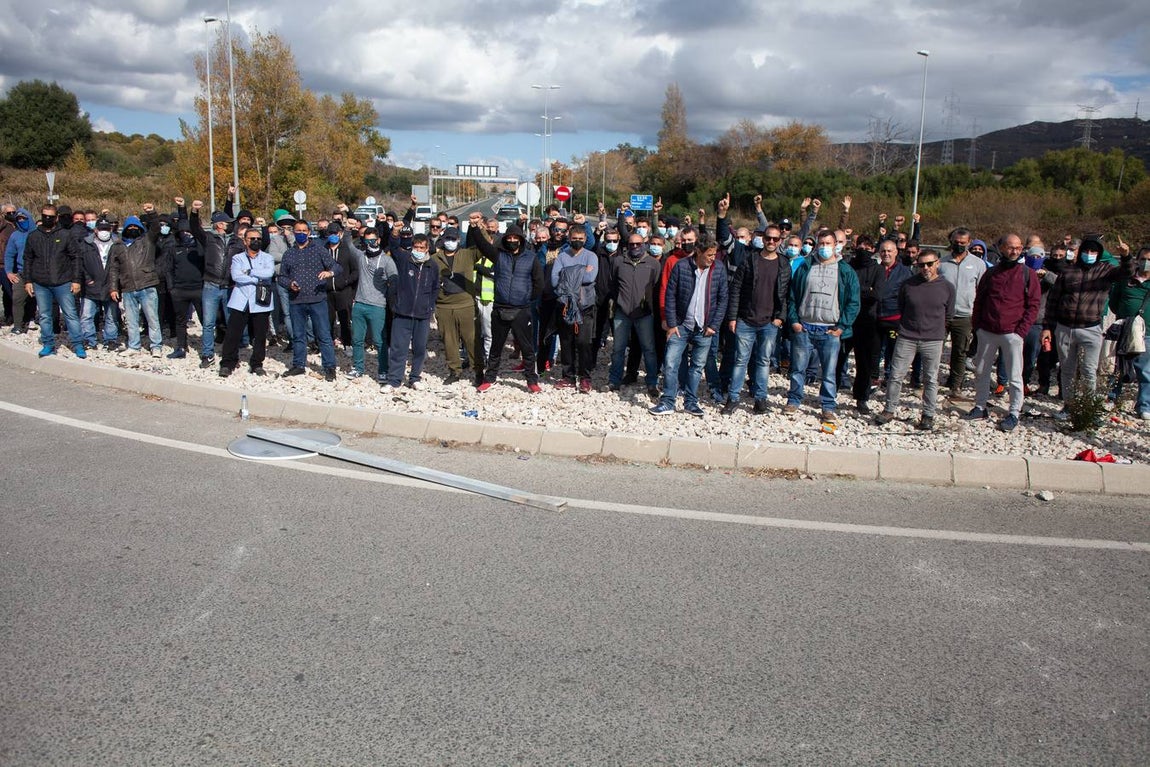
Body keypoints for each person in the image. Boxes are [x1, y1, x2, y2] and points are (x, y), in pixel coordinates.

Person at [1043, 234, 1134, 419]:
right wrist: (1047, 327)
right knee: (1067, 369)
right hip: (1065, 327)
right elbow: (1053, 301)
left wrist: (1126, 256)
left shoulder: (1106, 271)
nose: (1089, 254)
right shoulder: (1068, 272)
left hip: (1091, 328)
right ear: (1081, 251)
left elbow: (1128, 272)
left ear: (1099, 253)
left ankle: (1089, 409)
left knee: (1089, 370)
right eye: (1086, 250)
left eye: (1093, 251)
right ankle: (1068, 405)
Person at [962, 234, 1042, 431]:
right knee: (981, 371)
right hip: (987, 331)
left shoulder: (1027, 274)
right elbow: (979, 301)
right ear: (1001, 248)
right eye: (1009, 247)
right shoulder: (991, 274)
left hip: (1013, 333)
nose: (1013, 251)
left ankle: (1014, 412)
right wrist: (978, 327)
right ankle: (980, 406)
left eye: (1017, 247)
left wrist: (1020, 332)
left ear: (1021, 248)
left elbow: (1033, 305)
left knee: (1015, 376)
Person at [784, 229, 861, 422]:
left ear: (836, 245)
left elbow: (853, 302)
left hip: (830, 330)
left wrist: (842, 327)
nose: (824, 247)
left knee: (828, 372)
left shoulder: (845, 271)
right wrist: (794, 321)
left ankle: (827, 405)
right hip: (805, 327)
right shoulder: (805, 267)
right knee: (797, 369)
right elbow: (792, 296)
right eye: (821, 244)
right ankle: (794, 400)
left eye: (828, 243)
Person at [875, 250, 955, 431]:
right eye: (921, 265)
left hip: (933, 339)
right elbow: (901, 306)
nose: (925, 268)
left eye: (929, 264)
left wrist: (941, 333)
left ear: (937, 264)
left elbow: (949, 314)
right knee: (896, 375)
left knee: (930, 379)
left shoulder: (947, 287)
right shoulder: (908, 285)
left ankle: (928, 414)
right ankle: (889, 409)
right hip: (907, 336)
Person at [649, 238, 729, 417]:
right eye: (709, 255)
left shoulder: (719, 269)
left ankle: (691, 402)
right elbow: (670, 295)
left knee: (697, 367)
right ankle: (668, 401)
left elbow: (723, 299)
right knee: (670, 363)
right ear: (699, 252)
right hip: (681, 325)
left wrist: (714, 325)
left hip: (705, 328)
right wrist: (671, 324)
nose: (712, 258)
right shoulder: (681, 266)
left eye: (714, 255)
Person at [468, 221, 544, 393]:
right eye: (509, 237)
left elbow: (539, 283)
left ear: (521, 239)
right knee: (496, 347)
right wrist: (474, 228)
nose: (512, 240)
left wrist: (526, 298)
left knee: (527, 348)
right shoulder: (498, 255)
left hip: (521, 310)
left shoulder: (531, 258)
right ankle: (490, 378)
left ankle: (532, 380)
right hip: (500, 308)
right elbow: (482, 245)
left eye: (515, 237)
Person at [722, 224, 790, 415]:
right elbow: (736, 289)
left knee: (763, 361)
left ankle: (760, 399)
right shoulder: (749, 260)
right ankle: (733, 398)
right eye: (768, 237)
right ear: (762, 238)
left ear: (780, 241)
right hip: (745, 319)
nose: (771, 241)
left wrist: (780, 318)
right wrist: (733, 317)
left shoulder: (784, 264)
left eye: (775, 239)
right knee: (740, 361)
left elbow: (785, 295)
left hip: (769, 323)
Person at [278, 219, 340, 380]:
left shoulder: (319, 250)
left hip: (317, 299)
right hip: (296, 300)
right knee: (298, 335)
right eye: (298, 231)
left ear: (309, 232)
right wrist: (290, 283)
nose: (301, 233)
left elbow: (336, 267)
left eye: (304, 231)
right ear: (293, 232)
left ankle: (329, 367)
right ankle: (299, 365)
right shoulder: (289, 253)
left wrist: (329, 273)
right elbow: (281, 277)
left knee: (324, 335)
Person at [22, 205, 85, 358]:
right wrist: (28, 280)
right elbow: (28, 259)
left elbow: (76, 258)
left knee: (70, 314)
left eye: (51, 217)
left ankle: (78, 344)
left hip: (63, 281)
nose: (47, 219)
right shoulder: (33, 236)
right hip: (41, 282)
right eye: (45, 216)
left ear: (56, 217)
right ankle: (48, 343)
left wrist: (76, 280)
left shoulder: (65, 235)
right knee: (44, 315)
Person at [607, 231, 662, 398]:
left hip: (644, 314)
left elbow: (656, 286)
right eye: (632, 244)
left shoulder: (653, 264)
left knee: (649, 350)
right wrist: (619, 303)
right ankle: (614, 380)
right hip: (622, 312)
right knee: (618, 349)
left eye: (638, 244)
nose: (635, 247)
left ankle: (652, 382)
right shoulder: (618, 262)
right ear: (627, 245)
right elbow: (613, 284)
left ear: (644, 244)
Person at [384, 234, 439, 390]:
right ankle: (394, 380)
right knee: (398, 347)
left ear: (427, 248)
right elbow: (394, 248)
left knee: (420, 348)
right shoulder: (405, 260)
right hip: (403, 313)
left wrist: (430, 306)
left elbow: (435, 288)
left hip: (422, 315)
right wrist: (394, 234)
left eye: (422, 247)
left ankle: (415, 377)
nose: (419, 250)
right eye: (416, 247)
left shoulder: (432, 266)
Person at [837, 234, 885, 413]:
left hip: (868, 321)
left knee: (864, 364)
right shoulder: (848, 266)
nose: (863, 251)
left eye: (867, 247)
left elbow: (877, 294)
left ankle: (861, 398)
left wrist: (857, 290)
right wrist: (866, 290)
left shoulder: (878, 270)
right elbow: (842, 290)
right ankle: (830, 393)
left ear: (873, 249)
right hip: (847, 320)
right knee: (838, 359)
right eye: (860, 247)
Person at [938, 227, 986, 399]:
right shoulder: (941, 263)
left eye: (963, 243)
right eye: (956, 243)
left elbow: (982, 290)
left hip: (965, 315)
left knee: (960, 351)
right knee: (936, 349)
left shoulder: (979, 265)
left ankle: (955, 385)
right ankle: (930, 381)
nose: (959, 246)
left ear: (969, 243)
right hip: (941, 314)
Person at [219, 229, 275, 377]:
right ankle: (227, 362)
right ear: (245, 240)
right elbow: (236, 276)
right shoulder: (237, 258)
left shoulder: (267, 257)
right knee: (233, 334)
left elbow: (269, 273)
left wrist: (249, 272)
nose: (255, 241)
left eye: (258, 238)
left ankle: (257, 363)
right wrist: (257, 277)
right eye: (252, 239)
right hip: (241, 300)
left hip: (260, 301)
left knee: (260, 335)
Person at [108, 210, 164, 357]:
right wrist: (113, 288)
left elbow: (156, 228)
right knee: (131, 320)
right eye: (129, 227)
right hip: (127, 287)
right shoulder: (117, 246)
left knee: (152, 318)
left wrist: (152, 213)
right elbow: (113, 269)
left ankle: (156, 345)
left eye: (136, 227)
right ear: (124, 229)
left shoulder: (147, 241)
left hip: (147, 285)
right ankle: (134, 346)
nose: (133, 230)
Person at [551, 225, 598, 391]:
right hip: (566, 305)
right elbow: (554, 280)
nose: (577, 241)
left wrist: (568, 274)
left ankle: (585, 377)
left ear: (585, 239)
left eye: (580, 239)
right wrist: (580, 271)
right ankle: (568, 376)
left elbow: (590, 277)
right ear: (569, 239)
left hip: (585, 306)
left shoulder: (591, 256)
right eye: (574, 238)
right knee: (566, 342)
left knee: (584, 342)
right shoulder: (562, 256)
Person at [430, 226, 479, 385]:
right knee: (449, 341)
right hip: (444, 307)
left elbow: (485, 246)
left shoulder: (468, 254)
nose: (450, 242)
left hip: (465, 305)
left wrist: (478, 228)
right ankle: (454, 371)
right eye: (447, 239)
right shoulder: (435, 259)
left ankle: (478, 371)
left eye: (453, 239)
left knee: (471, 340)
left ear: (459, 239)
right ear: (443, 240)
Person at [346, 227, 396, 381]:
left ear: (379, 240)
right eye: (367, 241)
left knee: (379, 341)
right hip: (359, 304)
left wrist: (389, 285)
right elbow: (348, 244)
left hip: (377, 306)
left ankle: (383, 371)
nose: (370, 243)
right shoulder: (361, 257)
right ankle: (358, 368)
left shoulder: (386, 260)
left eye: (373, 240)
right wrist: (348, 227)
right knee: (357, 339)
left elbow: (395, 278)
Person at [1110, 248, 1150, 419]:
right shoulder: (1125, 279)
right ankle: (1111, 398)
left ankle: (1144, 405)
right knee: (1118, 367)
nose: (1146, 262)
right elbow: (1114, 302)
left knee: (1145, 371)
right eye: (1143, 258)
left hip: (1147, 333)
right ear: (1137, 259)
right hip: (1124, 330)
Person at [76, 218, 122, 351]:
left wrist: (117, 283)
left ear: (111, 229)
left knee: (112, 316)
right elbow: (80, 263)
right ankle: (89, 340)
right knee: (86, 315)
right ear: (95, 230)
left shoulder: (118, 244)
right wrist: (87, 279)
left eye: (107, 229)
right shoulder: (86, 244)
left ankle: (111, 339)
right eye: (101, 229)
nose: (104, 232)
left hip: (111, 285)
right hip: (91, 285)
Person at [4, 208, 35, 333]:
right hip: (21, 272)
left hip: (38, 272)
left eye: (24, 218)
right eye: (19, 219)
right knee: (17, 299)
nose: (22, 221)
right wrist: (9, 272)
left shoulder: (37, 232)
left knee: (39, 299)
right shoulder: (15, 235)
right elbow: (9, 254)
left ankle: (36, 321)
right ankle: (17, 325)